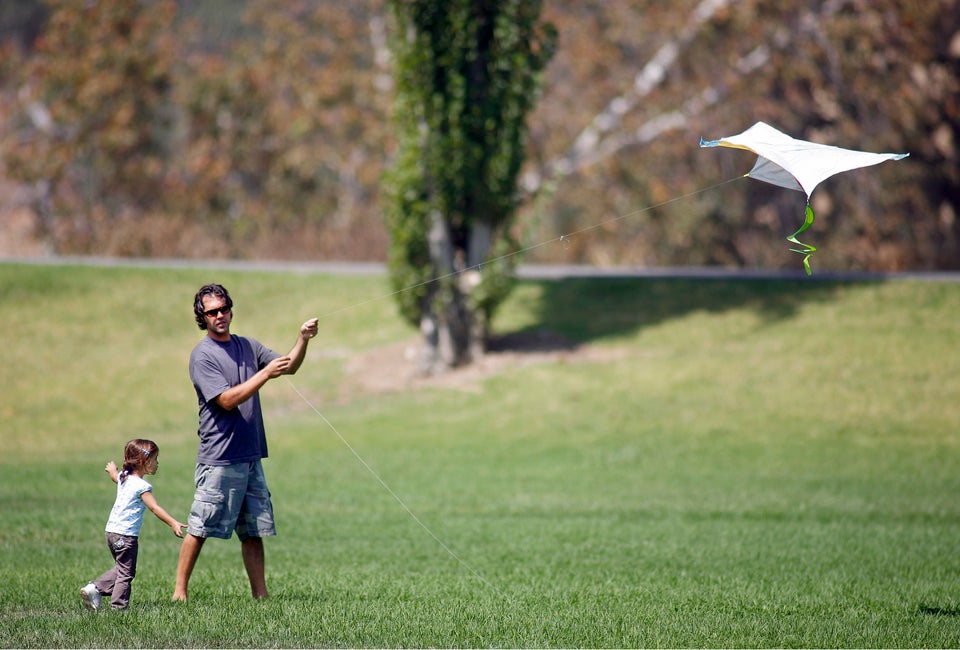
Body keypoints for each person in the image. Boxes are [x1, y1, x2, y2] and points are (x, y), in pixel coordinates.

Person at [172, 283, 318, 602]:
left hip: (250, 456)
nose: (220, 315)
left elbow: (289, 366)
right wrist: (264, 375)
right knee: (201, 526)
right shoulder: (202, 356)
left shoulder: (247, 345)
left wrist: (302, 340)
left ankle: (261, 596)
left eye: (224, 309)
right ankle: (179, 592)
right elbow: (226, 399)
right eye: (212, 312)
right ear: (202, 316)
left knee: (253, 531)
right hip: (220, 458)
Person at [80, 439, 186, 611]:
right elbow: (154, 507)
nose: (157, 463)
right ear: (144, 462)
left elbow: (115, 477)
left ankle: (94, 589)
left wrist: (112, 471)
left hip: (111, 532)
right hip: (126, 535)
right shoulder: (142, 486)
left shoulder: (124, 477)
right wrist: (173, 522)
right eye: (155, 459)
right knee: (126, 573)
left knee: (123, 568)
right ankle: (118, 607)